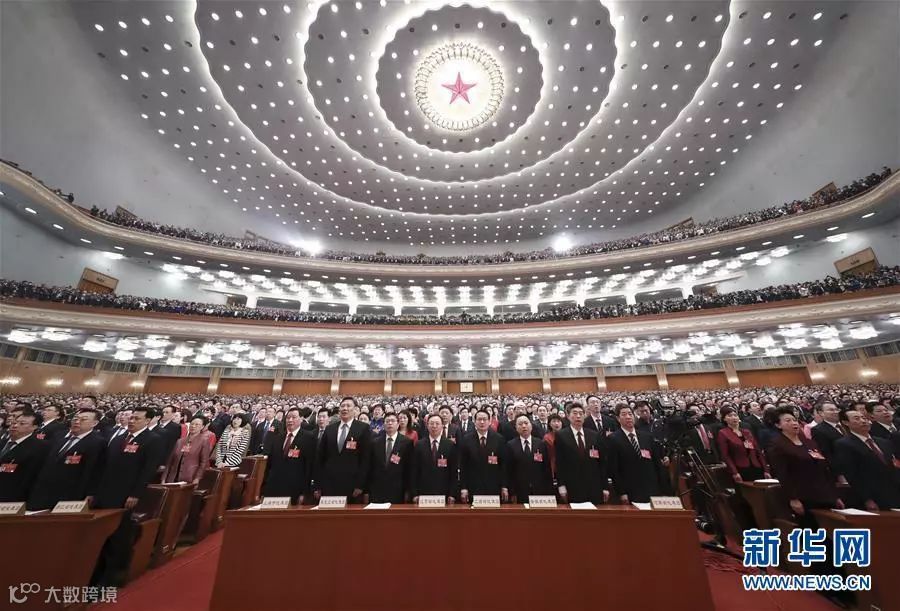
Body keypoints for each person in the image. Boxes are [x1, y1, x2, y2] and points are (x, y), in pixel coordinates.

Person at [767, 407, 843, 528]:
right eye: (788, 421)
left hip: (824, 493)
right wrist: (793, 499)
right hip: (803, 495)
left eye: (794, 420)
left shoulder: (809, 442)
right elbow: (782, 474)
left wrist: (835, 495)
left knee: (832, 529)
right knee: (813, 531)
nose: (794, 423)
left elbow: (823, 468)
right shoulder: (777, 445)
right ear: (778, 425)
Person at [28, 408, 105, 511]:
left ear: (94, 423)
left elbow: (95, 470)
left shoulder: (97, 442)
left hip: (71, 493)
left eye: (83, 419)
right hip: (44, 489)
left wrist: (91, 492)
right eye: (75, 418)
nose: (77, 421)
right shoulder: (59, 436)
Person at [92, 407, 166, 510]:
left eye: (137, 419)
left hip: (127, 492)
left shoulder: (153, 440)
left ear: (147, 421)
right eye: (131, 418)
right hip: (104, 489)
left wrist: (135, 494)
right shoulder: (118, 438)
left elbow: (148, 470)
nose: (131, 421)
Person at [834, 408, 900, 510]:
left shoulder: (883, 442)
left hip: (895, 490)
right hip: (874, 494)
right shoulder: (844, 444)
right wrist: (867, 499)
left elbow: (894, 465)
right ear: (845, 422)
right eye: (857, 418)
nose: (863, 421)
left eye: (864, 418)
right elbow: (852, 474)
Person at [315, 397, 371, 502]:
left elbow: (365, 459)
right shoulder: (330, 428)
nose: (345, 408)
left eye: (348, 406)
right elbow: (320, 457)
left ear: (355, 410)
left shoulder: (363, 428)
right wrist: (318, 484)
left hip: (352, 485)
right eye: (342, 406)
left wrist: (360, 485)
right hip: (329, 484)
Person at [608, 405, 668, 504]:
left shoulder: (646, 437)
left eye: (630, 414)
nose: (628, 417)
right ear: (618, 419)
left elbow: (656, 463)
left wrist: (662, 487)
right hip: (630, 489)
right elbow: (614, 469)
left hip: (652, 487)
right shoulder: (613, 439)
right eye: (624, 414)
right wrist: (621, 492)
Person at [554, 402, 609, 504]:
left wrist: (605, 486)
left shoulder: (594, 435)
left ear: (584, 416)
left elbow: (601, 463)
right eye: (574, 413)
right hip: (572, 485)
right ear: (568, 416)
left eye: (580, 413)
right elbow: (559, 463)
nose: (578, 416)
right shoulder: (561, 436)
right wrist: (561, 486)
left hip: (594, 485)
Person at [262, 408, 316, 505]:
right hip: (274, 489)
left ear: (301, 419)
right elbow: (270, 465)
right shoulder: (277, 438)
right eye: (288, 418)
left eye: (294, 417)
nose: (290, 420)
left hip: (295, 490)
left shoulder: (309, 438)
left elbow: (309, 467)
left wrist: (304, 492)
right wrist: (264, 488)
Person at [459, 409, 509, 503]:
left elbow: (503, 465)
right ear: (474, 422)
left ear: (490, 421)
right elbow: (463, 466)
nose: (482, 422)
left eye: (484, 419)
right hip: (473, 485)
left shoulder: (499, 439)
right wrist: (464, 487)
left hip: (494, 485)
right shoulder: (466, 439)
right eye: (479, 419)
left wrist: (504, 486)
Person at [0, 411, 49, 502]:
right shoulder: (2, 442)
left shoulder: (40, 447)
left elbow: (33, 476)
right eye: (14, 423)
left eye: (22, 423)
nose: (15, 426)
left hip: (14, 497)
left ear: (34, 427)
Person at [411, 413, 459, 504]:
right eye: (431, 423)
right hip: (423, 492)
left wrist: (452, 494)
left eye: (437, 423)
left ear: (442, 426)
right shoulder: (419, 445)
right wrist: (414, 493)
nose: (434, 426)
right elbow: (414, 471)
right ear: (427, 426)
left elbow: (453, 472)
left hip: (444, 492)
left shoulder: (450, 445)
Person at [506, 414, 554, 503]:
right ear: (516, 428)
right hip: (520, 490)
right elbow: (509, 470)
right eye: (520, 424)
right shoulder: (510, 445)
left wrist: (549, 490)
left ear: (531, 426)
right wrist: (512, 492)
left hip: (540, 490)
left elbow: (546, 468)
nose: (524, 426)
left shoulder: (541, 444)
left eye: (526, 423)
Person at [367, 412, 413, 504]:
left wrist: (408, 490)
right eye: (387, 421)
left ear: (398, 424)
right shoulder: (374, 442)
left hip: (398, 489)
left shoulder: (407, 442)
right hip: (377, 489)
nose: (390, 423)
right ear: (384, 424)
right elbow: (369, 467)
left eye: (392, 421)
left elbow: (409, 468)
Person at [717, 406, 770, 483]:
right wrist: (735, 472)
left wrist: (766, 470)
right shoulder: (723, 433)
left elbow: (758, 451)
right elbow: (726, 455)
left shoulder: (746, 432)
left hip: (756, 466)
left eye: (735, 415)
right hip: (740, 468)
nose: (734, 417)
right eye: (730, 416)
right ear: (724, 419)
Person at [163, 415, 212, 484]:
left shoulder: (204, 441)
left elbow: (203, 463)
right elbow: (170, 461)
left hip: (190, 478)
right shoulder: (180, 441)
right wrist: (164, 478)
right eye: (192, 424)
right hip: (173, 477)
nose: (193, 426)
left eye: (197, 424)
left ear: (202, 427)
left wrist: (197, 478)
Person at [810, 401, 845, 467]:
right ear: (821, 413)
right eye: (831, 410)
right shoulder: (818, 430)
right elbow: (826, 453)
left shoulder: (845, 425)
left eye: (836, 409)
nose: (835, 412)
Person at [542, 413, 564, 480]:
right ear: (549, 424)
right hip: (553, 465)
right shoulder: (547, 438)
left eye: (558, 421)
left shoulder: (567, 435)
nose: (556, 423)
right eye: (554, 421)